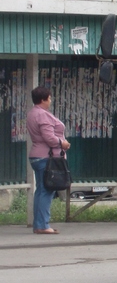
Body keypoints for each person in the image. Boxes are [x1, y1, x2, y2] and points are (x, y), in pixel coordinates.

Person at [27, 86, 69, 234]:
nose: (50, 101)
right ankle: (42, 225)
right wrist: (62, 143)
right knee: (47, 190)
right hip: (47, 157)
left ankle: (39, 224)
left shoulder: (33, 113)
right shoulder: (42, 115)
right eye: (49, 98)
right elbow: (49, 137)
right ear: (43, 99)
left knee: (41, 190)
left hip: (37, 156)